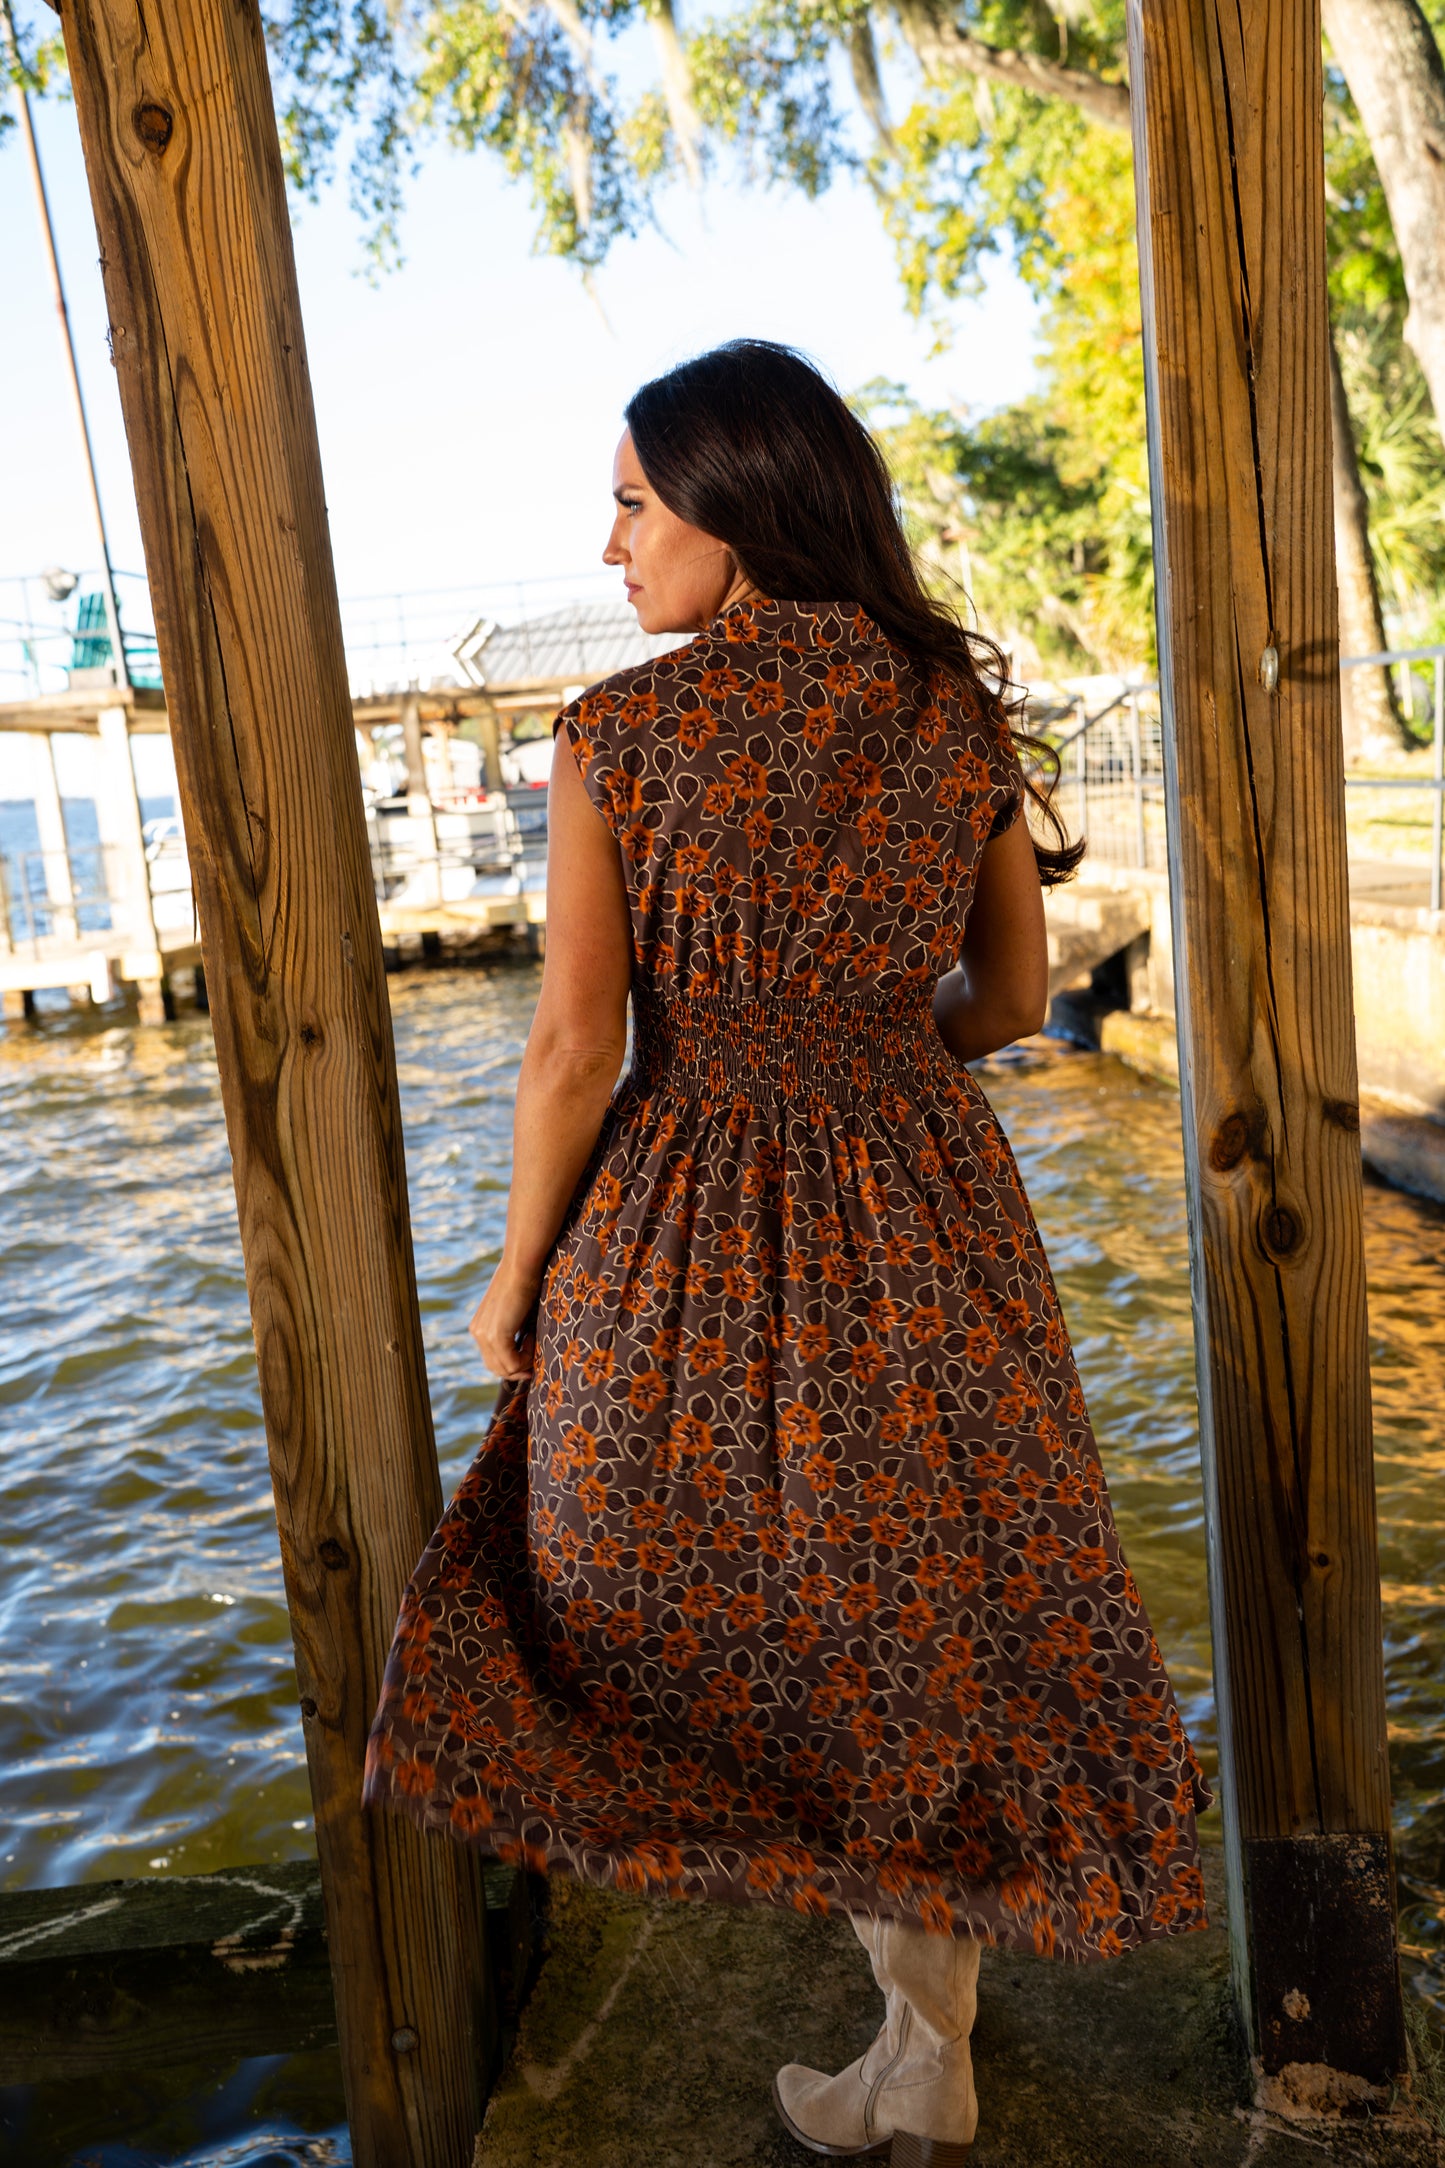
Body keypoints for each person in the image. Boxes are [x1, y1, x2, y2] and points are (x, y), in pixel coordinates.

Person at [363, 339, 1210, 2166]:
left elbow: (574, 1054)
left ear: (733, 515)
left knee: (657, 1582)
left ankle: (913, 2045)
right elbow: (1006, 999)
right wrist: (863, 1047)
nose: (607, 549)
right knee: (921, 1599)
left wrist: (515, 1282)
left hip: (686, 1210)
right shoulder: (944, 713)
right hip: (925, 1205)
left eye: (629, 505)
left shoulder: (620, 738)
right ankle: (927, 2045)